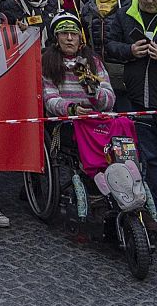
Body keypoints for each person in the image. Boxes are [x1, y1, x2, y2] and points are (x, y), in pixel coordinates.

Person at [105, 0, 157, 224]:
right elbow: (109, 47)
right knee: (153, 160)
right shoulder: (124, 15)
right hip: (138, 102)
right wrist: (129, 50)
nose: (149, 0)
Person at [45, 12, 132, 191]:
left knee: (124, 124)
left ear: (80, 37)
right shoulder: (47, 63)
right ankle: (97, 184)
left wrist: (92, 89)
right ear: (56, 38)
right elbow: (50, 99)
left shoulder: (93, 62)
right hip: (69, 123)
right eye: (64, 33)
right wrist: (72, 109)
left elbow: (109, 100)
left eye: (74, 34)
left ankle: (129, 180)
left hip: (95, 119)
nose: (69, 38)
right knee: (87, 132)